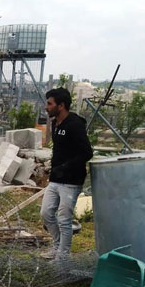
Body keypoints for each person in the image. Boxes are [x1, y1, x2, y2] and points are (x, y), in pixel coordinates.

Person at [40, 87, 93, 260]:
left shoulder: (75, 125)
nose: (46, 107)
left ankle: (62, 258)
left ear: (61, 105)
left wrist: (65, 167)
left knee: (64, 219)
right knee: (46, 213)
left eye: (50, 104)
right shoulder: (55, 123)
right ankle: (56, 246)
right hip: (56, 178)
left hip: (71, 181)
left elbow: (87, 153)